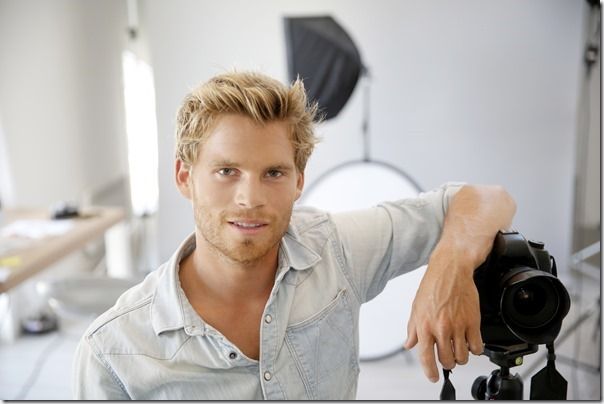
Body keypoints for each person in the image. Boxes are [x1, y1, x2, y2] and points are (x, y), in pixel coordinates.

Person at [73, 71, 516, 400]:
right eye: (227, 171)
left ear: (299, 181)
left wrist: (448, 268)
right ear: (184, 177)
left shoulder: (335, 249)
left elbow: (486, 198)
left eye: (274, 173)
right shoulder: (114, 352)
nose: (250, 198)